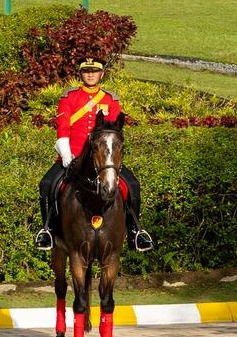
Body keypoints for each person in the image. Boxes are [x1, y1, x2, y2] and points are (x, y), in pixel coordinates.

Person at [34, 56, 154, 253]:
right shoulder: (69, 97)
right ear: (80, 74)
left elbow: (116, 132)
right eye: (86, 71)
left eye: (94, 71)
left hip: (104, 160)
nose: (90, 74)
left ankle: (135, 232)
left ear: (102, 74)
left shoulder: (110, 99)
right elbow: (62, 129)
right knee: (47, 184)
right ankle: (48, 231)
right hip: (73, 158)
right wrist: (66, 154)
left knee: (132, 185)